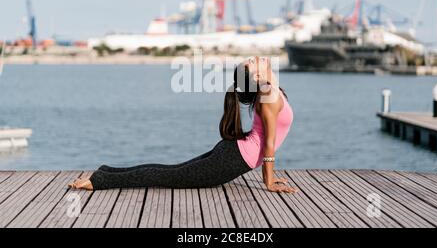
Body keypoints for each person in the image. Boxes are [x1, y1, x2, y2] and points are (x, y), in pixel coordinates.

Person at [69, 56, 297, 193]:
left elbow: (268, 139)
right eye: (254, 62)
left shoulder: (270, 90)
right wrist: (268, 182)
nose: (259, 59)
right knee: (166, 176)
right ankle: (100, 181)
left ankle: (106, 172)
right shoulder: (268, 93)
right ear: (257, 78)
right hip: (233, 158)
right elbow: (268, 142)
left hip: (234, 153)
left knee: (170, 171)